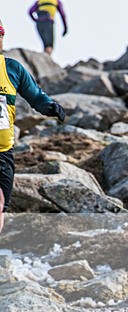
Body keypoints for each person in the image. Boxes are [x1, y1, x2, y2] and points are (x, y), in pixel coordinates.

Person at [0, 19, 66, 234]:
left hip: (3, 151)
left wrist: (50, 107)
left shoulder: (12, 68)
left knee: (0, 204)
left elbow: (35, 95)